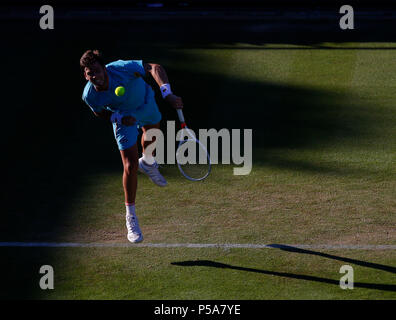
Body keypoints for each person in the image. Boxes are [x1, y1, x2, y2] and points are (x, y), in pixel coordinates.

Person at [80, 50, 183, 243]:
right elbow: (99, 112)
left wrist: (167, 94)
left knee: (153, 135)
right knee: (129, 165)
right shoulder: (89, 95)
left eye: (96, 70)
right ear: (85, 76)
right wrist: (118, 118)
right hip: (123, 116)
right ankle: (131, 217)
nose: (94, 76)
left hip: (145, 102)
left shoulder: (121, 68)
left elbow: (154, 67)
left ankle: (149, 163)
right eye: (89, 73)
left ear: (104, 68)